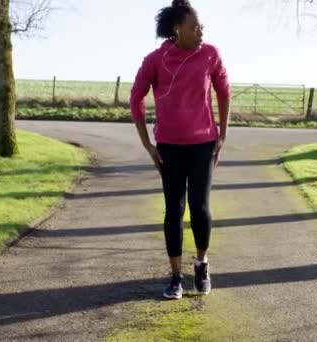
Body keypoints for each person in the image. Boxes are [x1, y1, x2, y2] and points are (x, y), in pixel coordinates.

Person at [130, 0, 231, 300]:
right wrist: (147, 143)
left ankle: (201, 263)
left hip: (203, 145)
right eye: (195, 27)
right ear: (177, 29)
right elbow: (136, 97)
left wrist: (223, 134)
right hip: (169, 148)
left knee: (200, 208)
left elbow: (224, 91)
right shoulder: (155, 60)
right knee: (174, 209)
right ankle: (175, 276)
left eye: (202, 27)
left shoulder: (210, 55)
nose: (201, 32)